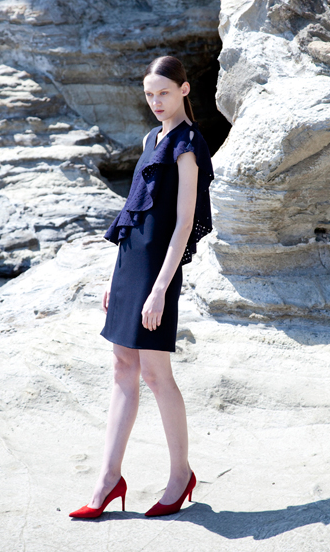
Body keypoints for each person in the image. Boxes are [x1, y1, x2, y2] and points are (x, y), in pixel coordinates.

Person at [69, 55, 214, 519]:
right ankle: (108, 479)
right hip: (131, 264)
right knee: (121, 368)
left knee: (155, 374)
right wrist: (117, 279)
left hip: (158, 269)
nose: (156, 101)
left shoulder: (188, 144)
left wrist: (159, 289)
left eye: (164, 93)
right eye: (150, 94)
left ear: (184, 90)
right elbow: (134, 214)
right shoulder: (151, 138)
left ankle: (180, 475)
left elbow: (184, 223)